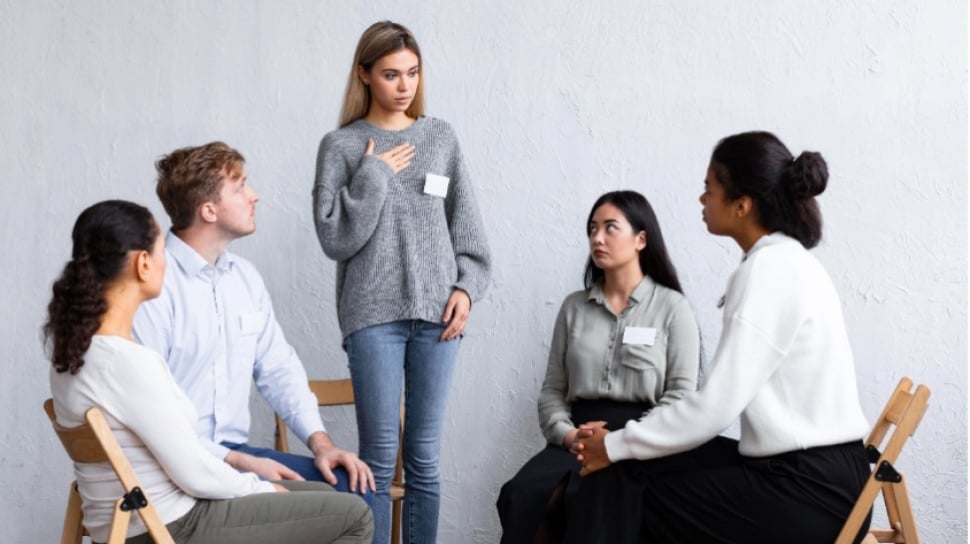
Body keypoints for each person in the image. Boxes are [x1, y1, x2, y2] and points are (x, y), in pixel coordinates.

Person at [566, 131, 872, 544]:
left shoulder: (768, 271)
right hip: (821, 476)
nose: (702, 199)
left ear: (742, 205)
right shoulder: (785, 261)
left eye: (709, 189)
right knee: (628, 469)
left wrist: (615, 445)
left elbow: (714, 407)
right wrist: (621, 445)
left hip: (810, 490)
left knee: (633, 495)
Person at [46, 200, 373, 544]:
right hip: (173, 523)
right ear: (143, 264)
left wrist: (257, 482)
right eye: (161, 251)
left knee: (321, 496)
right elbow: (193, 473)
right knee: (354, 515)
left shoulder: (75, 354)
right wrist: (260, 488)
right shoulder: (127, 362)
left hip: (138, 521)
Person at [312, 20, 492, 544]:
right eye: (391, 74)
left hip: (438, 319)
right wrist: (374, 174)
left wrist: (466, 288)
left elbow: (468, 229)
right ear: (364, 75)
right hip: (372, 319)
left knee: (425, 459)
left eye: (412, 73)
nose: (404, 85)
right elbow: (334, 238)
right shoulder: (341, 146)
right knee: (377, 457)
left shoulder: (439, 138)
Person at [133, 142, 375, 499]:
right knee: (323, 502)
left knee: (357, 486)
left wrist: (322, 444)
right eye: (240, 187)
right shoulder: (153, 286)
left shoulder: (245, 279)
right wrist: (237, 463)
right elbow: (152, 411)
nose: (254, 196)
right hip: (176, 462)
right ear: (209, 210)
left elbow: (279, 370)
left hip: (237, 454)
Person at [495, 190, 700, 543]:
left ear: (641, 239)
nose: (597, 238)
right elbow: (553, 390)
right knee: (522, 496)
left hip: (639, 439)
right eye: (592, 229)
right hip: (577, 436)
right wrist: (568, 435)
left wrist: (626, 439)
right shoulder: (573, 307)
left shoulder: (672, 307)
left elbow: (681, 396)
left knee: (591, 505)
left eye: (610, 228)